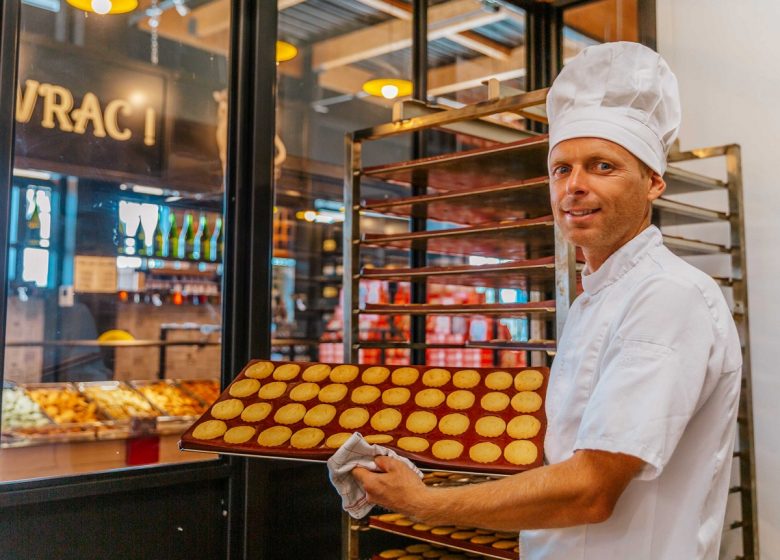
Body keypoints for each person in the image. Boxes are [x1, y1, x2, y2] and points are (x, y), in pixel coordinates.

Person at [351, 42, 742, 560]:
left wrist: (422, 500)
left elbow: (591, 489)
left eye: (602, 166)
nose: (574, 186)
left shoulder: (668, 296)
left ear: (653, 182)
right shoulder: (596, 298)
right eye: (561, 169)